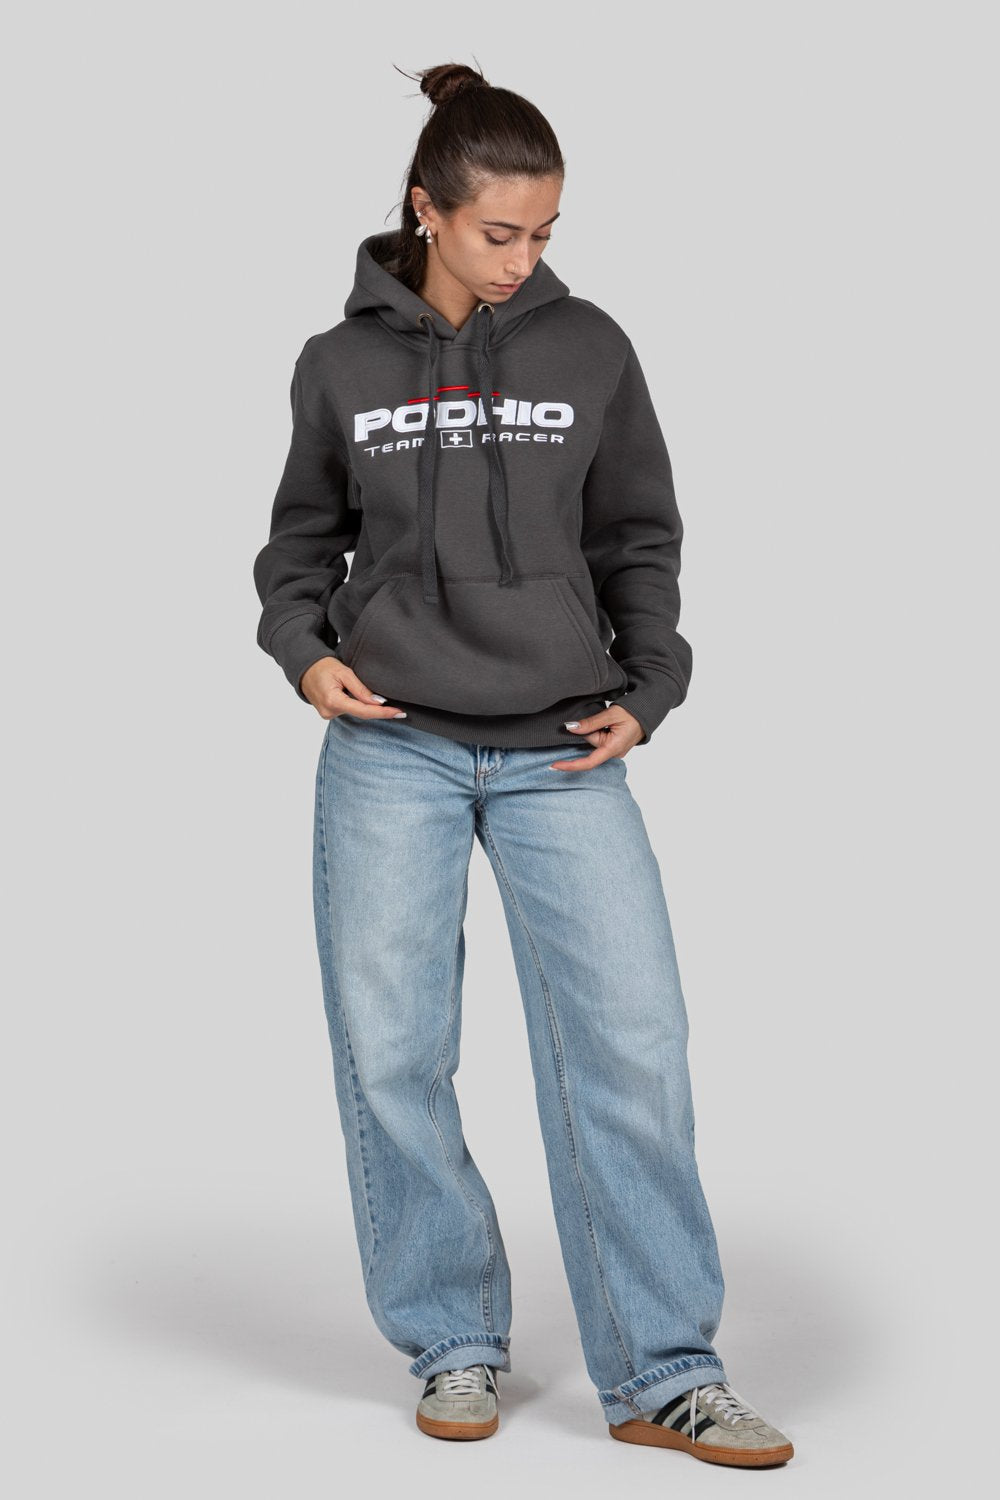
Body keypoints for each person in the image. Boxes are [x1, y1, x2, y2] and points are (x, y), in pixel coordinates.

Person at [252, 60, 794, 1467]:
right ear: (426, 211)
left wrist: (652, 688)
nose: (524, 259)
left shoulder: (589, 348)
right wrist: (304, 651)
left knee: (634, 1047)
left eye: (546, 233)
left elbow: (639, 536)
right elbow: (300, 543)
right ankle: (453, 1339)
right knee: (393, 1057)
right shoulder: (338, 363)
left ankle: (664, 1370)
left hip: (564, 748)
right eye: (500, 232)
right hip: (393, 750)